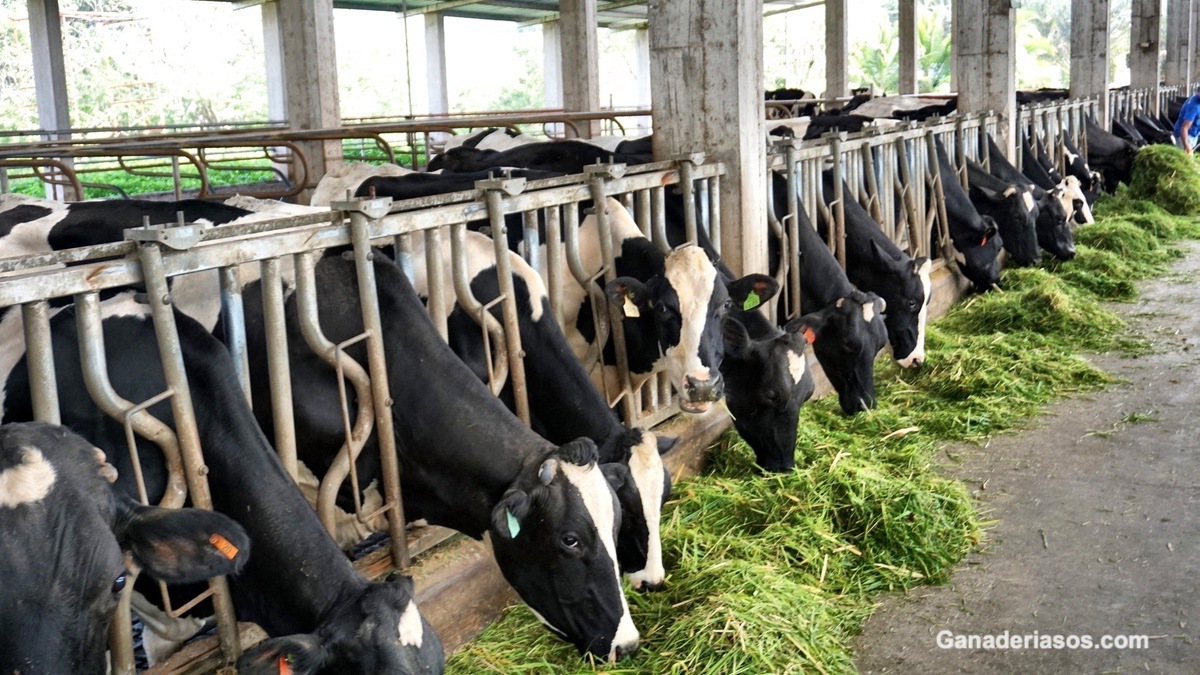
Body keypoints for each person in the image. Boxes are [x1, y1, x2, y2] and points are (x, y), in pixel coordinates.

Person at [1174, 85, 1200, 156]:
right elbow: (1184, 128)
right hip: (1185, 135)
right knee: (1187, 159)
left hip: (1195, 132)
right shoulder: (1194, 107)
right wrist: (1186, 146)